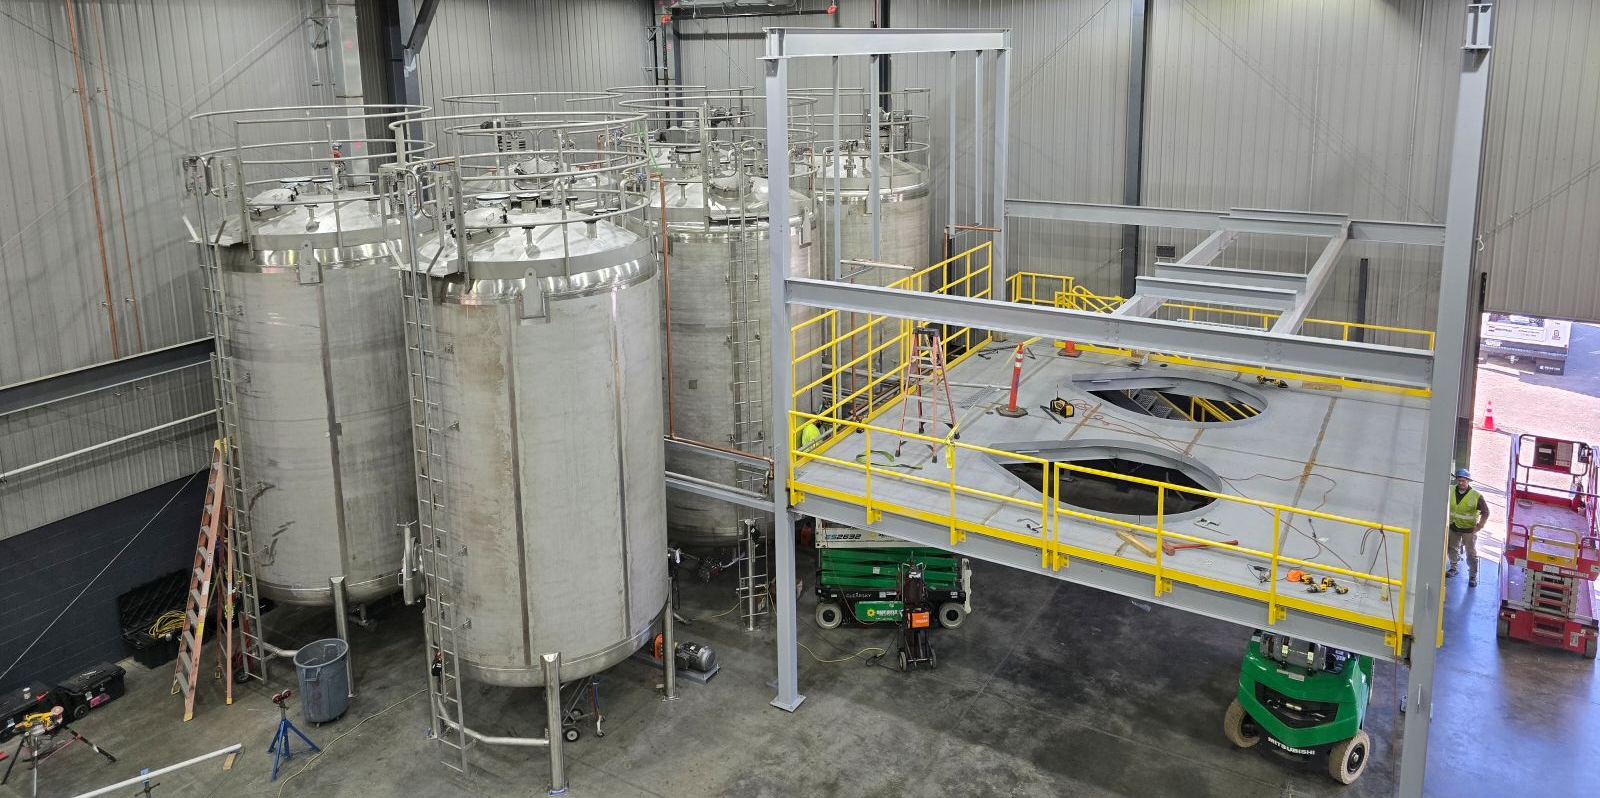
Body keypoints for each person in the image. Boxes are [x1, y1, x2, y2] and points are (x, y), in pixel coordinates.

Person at [1447, 467, 1490, 587]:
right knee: (1452, 548)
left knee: (1471, 553)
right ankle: (1454, 568)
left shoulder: (1476, 496)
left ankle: (1472, 576)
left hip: (1469, 530)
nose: (1461, 483)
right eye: (1459, 480)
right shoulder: (1450, 490)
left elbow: (1485, 512)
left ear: (1468, 481)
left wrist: (1479, 526)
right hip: (1453, 526)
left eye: (1464, 481)